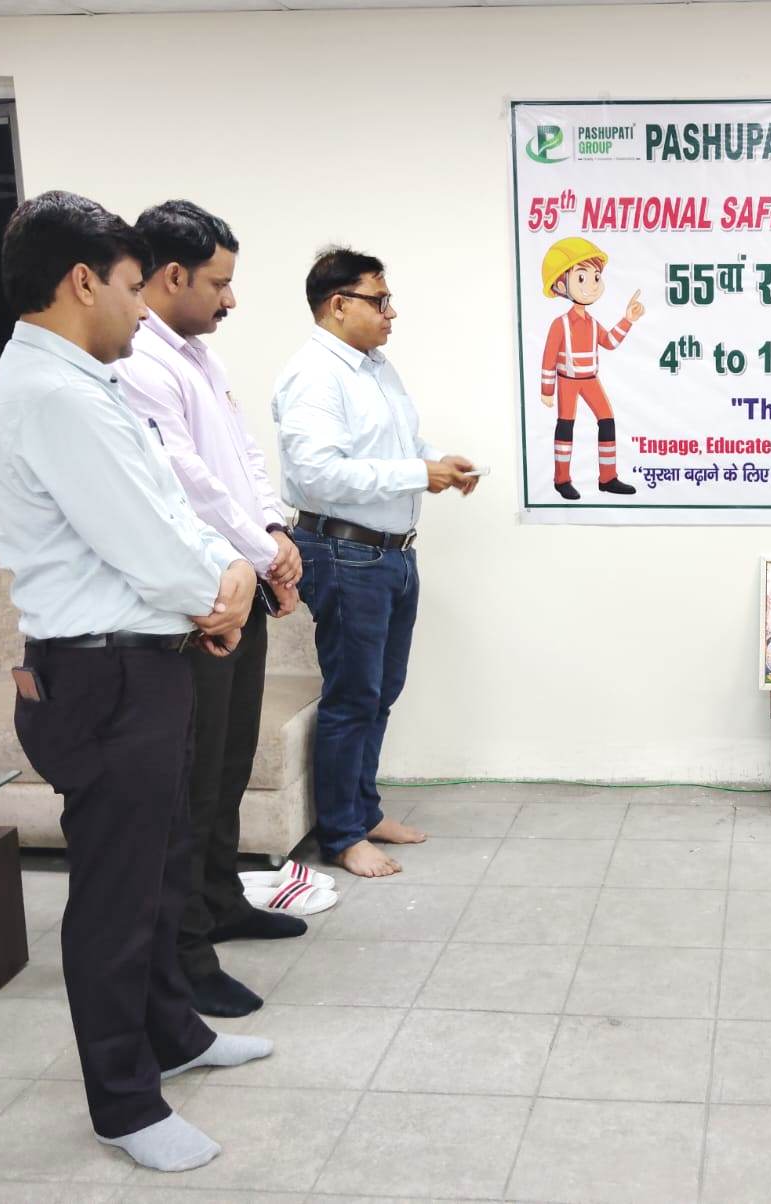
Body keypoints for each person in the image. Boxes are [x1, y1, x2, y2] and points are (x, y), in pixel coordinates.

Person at [0, 191, 272, 1172]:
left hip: (141, 661)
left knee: (157, 869)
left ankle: (172, 1033)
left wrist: (222, 572)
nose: (141, 309)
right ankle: (124, 1101)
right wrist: (220, 589)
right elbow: (147, 540)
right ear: (81, 282)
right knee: (115, 895)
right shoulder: (56, 395)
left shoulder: (86, 381)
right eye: (127, 286)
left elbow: (166, 505)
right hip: (103, 674)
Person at [119, 200, 306, 1020]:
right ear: (172, 275)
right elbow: (188, 482)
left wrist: (275, 530)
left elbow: (243, 459)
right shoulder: (140, 362)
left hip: (243, 584)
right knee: (194, 783)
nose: (231, 299)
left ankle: (222, 900)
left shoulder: (199, 356)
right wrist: (263, 551)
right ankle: (188, 951)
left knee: (229, 763)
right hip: (199, 605)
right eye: (219, 283)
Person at [273, 247, 478, 877]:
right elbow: (319, 474)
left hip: (389, 553)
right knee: (353, 696)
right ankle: (341, 834)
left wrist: (437, 461)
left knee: (380, 693)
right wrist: (418, 473)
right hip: (343, 552)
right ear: (339, 305)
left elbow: (401, 443)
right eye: (380, 300)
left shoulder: (376, 367)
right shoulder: (314, 375)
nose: (391, 313)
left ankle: (363, 811)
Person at [538, 235, 644, 499]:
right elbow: (548, 359)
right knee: (566, 427)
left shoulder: (592, 323)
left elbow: (609, 342)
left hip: (590, 380)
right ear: (560, 285)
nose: (592, 285)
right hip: (567, 381)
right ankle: (562, 480)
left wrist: (627, 320)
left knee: (607, 421)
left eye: (596, 277)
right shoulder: (560, 324)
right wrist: (547, 391)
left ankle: (607, 478)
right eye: (582, 278)